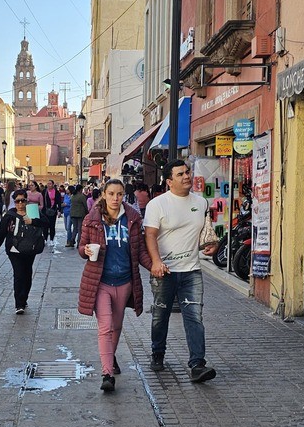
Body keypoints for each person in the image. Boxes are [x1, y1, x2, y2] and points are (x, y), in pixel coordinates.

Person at [145, 160, 219, 383]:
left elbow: (203, 234)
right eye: (180, 174)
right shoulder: (157, 204)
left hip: (191, 271)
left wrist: (210, 245)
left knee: (194, 317)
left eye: (187, 172)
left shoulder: (201, 202)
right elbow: (149, 235)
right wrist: (156, 262)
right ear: (169, 181)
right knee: (160, 316)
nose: (187, 176)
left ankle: (198, 364)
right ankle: (158, 352)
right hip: (165, 271)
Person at [78, 179, 152, 392]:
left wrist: (156, 267)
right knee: (106, 327)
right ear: (104, 194)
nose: (115, 198)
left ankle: (110, 358)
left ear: (123, 196)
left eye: (119, 194)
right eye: (111, 193)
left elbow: (139, 253)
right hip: (100, 281)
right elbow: (81, 247)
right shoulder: (92, 219)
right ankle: (107, 373)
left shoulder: (132, 219)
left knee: (117, 326)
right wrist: (87, 251)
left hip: (125, 281)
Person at [0, 190, 45, 313]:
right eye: (17, 201)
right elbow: (1, 233)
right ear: (14, 202)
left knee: (27, 275)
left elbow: (45, 222)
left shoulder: (32, 211)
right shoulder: (10, 215)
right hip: (14, 250)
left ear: (26, 200)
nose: (20, 203)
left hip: (30, 249)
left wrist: (33, 221)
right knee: (19, 274)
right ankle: (19, 304)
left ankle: (24, 298)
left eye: (23, 200)